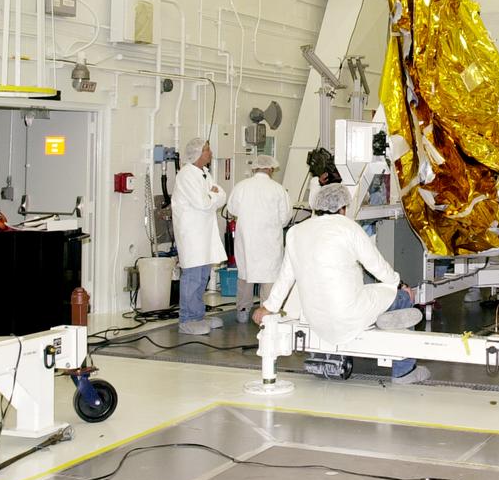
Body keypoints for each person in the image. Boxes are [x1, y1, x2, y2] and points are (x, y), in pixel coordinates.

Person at [252, 183, 430, 385]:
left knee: (371, 292)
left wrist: (268, 307)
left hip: (315, 319)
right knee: (401, 297)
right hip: (350, 314)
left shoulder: (295, 232)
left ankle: (381, 318)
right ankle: (404, 371)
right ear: (343, 207)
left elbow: (285, 277)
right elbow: (377, 266)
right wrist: (401, 286)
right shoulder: (348, 227)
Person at [172, 137, 228, 335]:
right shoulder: (186, 175)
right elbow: (203, 203)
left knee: (203, 276)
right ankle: (187, 319)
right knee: (193, 277)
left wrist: (213, 195)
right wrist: (213, 196)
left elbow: (222, 195)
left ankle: (198, 315)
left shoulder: (204, 172)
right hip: (192, 235)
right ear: (196, 153)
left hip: (204, 234)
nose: (210, 153)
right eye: (206, 149)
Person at [226, 155, 291, 324]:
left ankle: (242, 311)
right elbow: (285, 218)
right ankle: (267, 314)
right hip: (269, 241)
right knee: (269, 278)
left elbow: (232, 209)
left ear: (254, 168)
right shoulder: (278, 189)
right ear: (270, 169)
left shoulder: (241, 186)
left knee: (245, 275)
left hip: (246, 239)